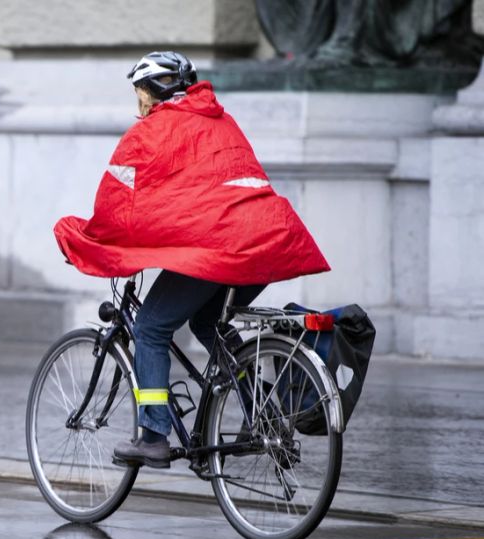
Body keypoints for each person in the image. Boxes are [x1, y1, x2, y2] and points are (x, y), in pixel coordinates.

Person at [53, 51, 330, 469]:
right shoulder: (221, 120)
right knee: (206, 322)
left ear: (151, 92)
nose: (139, 105)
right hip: (265, 241)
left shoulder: (152, 132)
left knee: (149, 327)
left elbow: (119, 208)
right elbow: (200, 196)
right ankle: (264, 411)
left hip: (219, 249)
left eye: (139, 94)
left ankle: (153, 436)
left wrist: (87, 241)